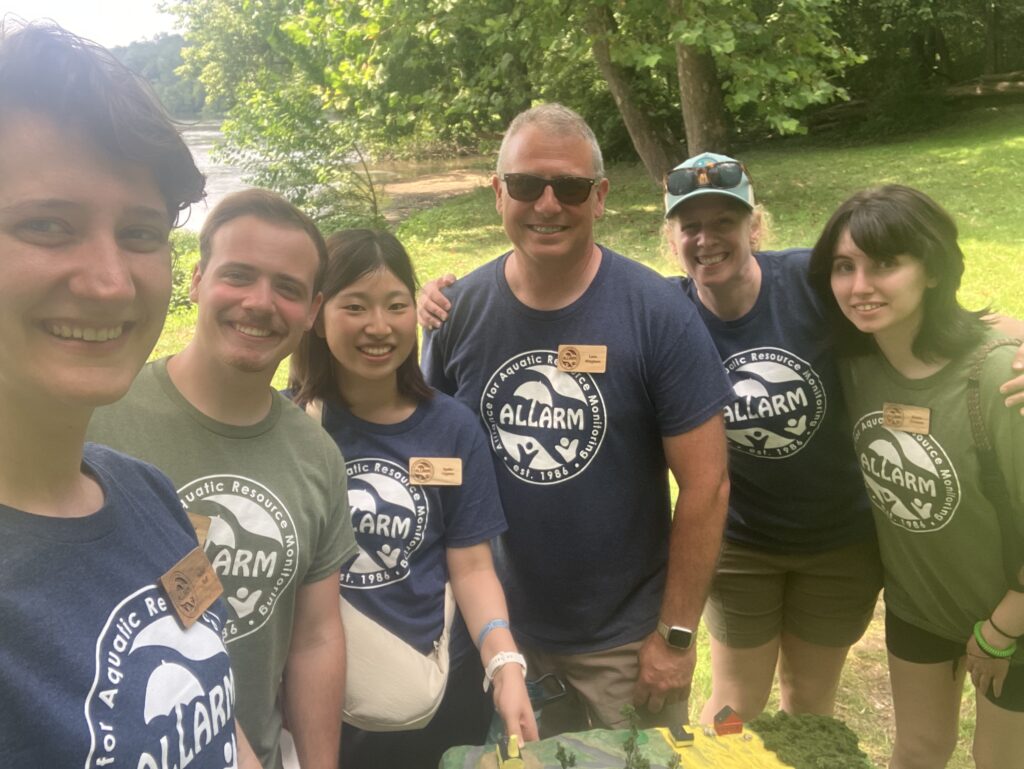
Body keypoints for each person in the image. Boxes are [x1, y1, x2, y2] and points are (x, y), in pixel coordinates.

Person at [419, 103, 733, 735]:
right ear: (498, 192)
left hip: (625, 642)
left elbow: (707, 484)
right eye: (528, 185)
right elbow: (430, 464)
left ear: (601, 197)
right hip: (498, 633)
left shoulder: (656, 315)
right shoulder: (458, 314)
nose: (548, 205)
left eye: (569, 187)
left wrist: (674, 639)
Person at [0, 22, 258, 768]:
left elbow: (219, 716)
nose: (111, 281)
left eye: (141, 233)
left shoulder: (148, 495)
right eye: (48, 224)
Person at [88, 189, 359, 769]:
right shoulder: (96, 417)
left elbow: (315, 638)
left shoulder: (316, 455)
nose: (260, 303)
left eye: (287, 288)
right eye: (239, 276)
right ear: (197, 280)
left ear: (311, 312)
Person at [288, 228, 538, 766]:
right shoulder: (287, 428)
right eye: (355, 306)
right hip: (321, 701)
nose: (378, 326)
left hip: (438, 691)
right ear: (317, 314)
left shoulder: (453, 428)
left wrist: (505, 664)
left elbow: (472, 567)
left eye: (395, 305)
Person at [661, 153, 883, 723]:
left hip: (839, 540)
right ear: (673, 238)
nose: (707, 239)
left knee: (808, 705)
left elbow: (919, 310)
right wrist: (448, 304)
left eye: (724, 223)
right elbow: (579, 316)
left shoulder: (812, 284)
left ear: (754, 226)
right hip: (741, 543)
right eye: (691, 226)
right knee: (735, 708)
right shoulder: (665, 313)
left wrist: (1005, 339)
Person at [807, 185, 1024, 769]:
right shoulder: (855, 365)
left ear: (930, 269)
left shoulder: (1003, 375)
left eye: (885, 264)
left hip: (1014, 612)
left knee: (999, 760)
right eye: (844, 267)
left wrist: (1003, 629)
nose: (860, 287)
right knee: (917, 751)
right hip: (920, 607)